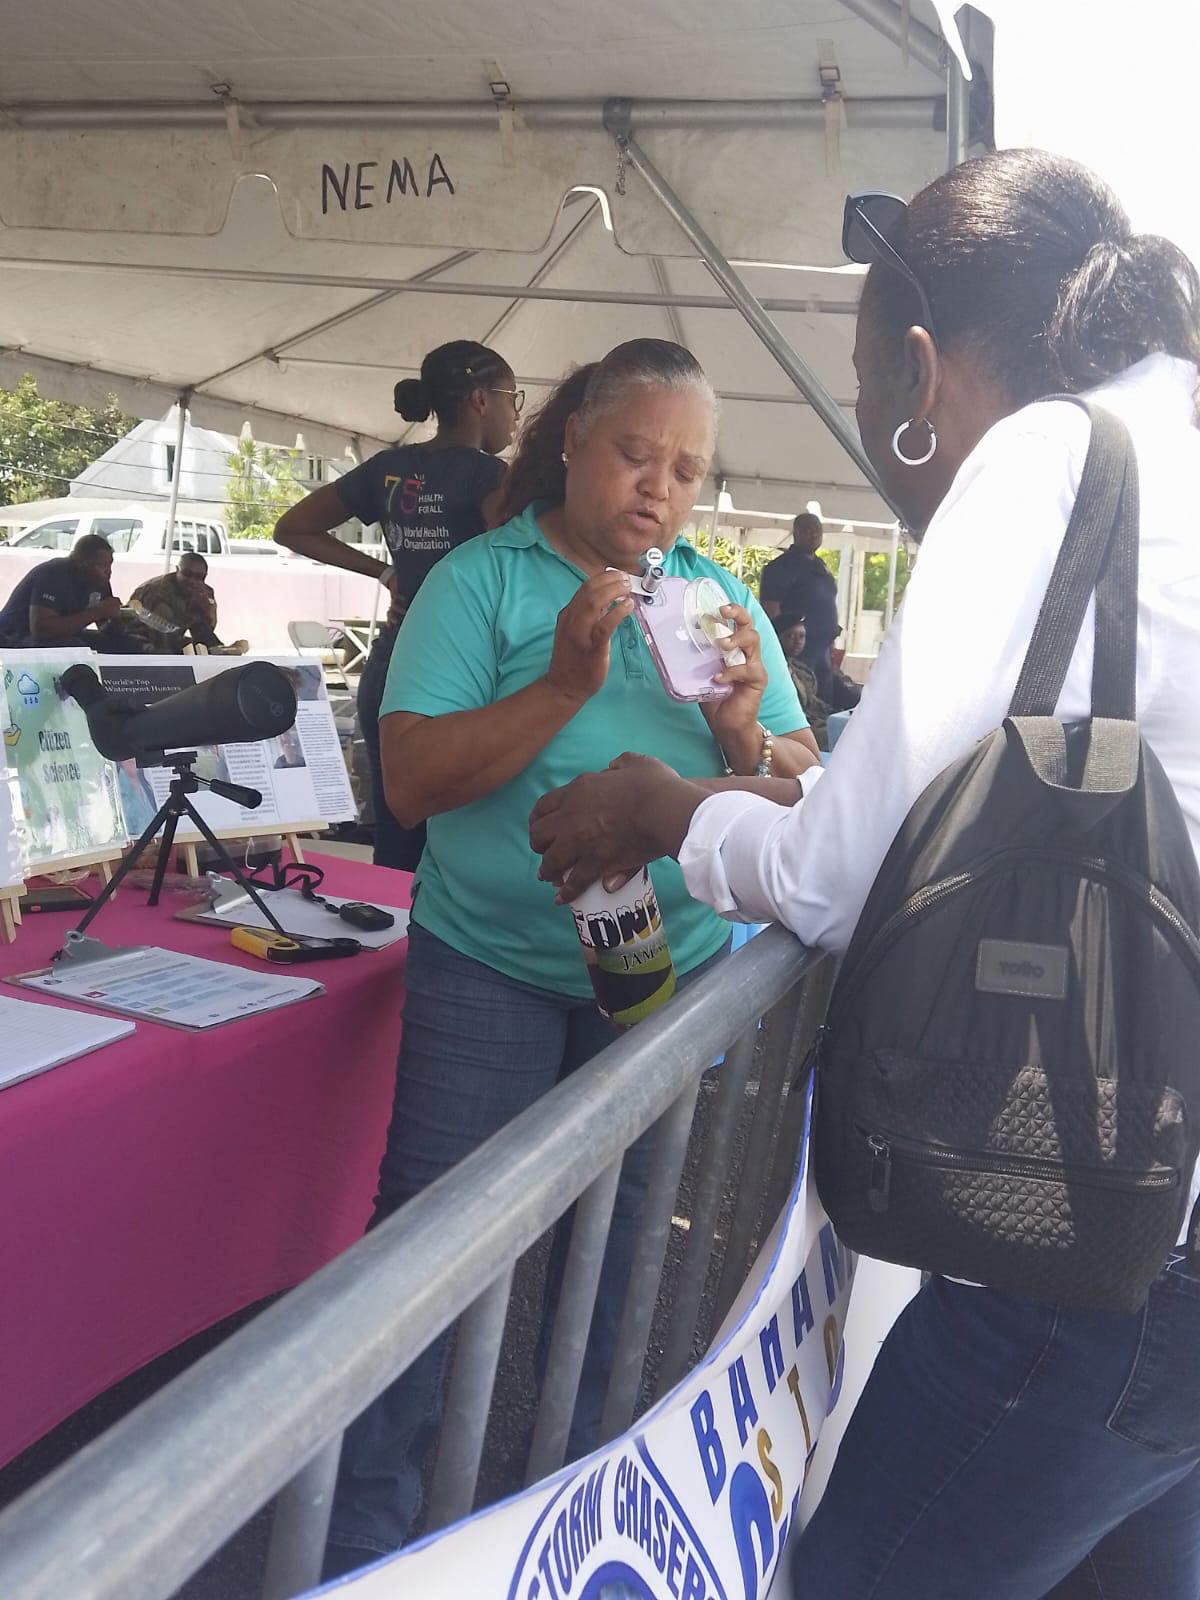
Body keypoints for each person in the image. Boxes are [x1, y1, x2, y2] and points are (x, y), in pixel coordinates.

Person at [528, 150, 1200, 1599]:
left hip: (1099, 1263)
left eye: (866, 387)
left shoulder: (1047, 455)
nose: (879, 427)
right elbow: (997, 785)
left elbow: (840, 882)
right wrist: (787, 780)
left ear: (919, 365)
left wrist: (666, 808)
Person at [320, 338, 817, 1580]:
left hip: (666, 979)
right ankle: (368, 1541)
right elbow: (414, 782)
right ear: (572, 442)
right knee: (433, 1247)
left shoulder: (716, 598)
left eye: (688, 469)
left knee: (625, 1251)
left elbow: (809, 791)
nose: (660, 487)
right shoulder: (483, 581)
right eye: (636, 452)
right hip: (485, 962)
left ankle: (571, 1521)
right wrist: (560, 686)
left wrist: (746, 727)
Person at [274, 339, 519, 871]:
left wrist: (387, 572)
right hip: (466, 670)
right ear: (480, 399)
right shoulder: (491, 477)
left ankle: (389, 943)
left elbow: (293, 527)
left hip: (394, 663)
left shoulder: (389, 467)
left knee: (396, 835)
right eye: (511, 398)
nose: (515, 414)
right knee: (456, 840)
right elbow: (519, 563)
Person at [758, 511, 840, 696]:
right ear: (796, 533)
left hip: (823, 649)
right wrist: (782, 650)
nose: (814, 535)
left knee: (823, 702)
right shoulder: (780, 567)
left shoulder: (820, 565)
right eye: (808, 530)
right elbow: (772, 610)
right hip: (797, 651)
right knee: (802, 702)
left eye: (818, 530)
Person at [0, 534, 130, 650]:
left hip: (63, 636)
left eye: (109, 564)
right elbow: (41, 630)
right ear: (81, 563)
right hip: (14, 636)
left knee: (126, 644)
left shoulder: (99, 580)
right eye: (101, 565)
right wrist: (97, 612)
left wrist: (118, 619)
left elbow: (104, 626)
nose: (108, 571)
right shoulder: (54, 574)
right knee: (75, 648)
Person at [124, 554, 248, 655]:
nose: (193, 581)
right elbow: (162, 632)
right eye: (187, 574)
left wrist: (207, 610)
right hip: (138, 640)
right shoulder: (158, 592)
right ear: (177, 570)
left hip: (169, 639)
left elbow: (203, 632)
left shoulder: (205, 592)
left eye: (199, 577)